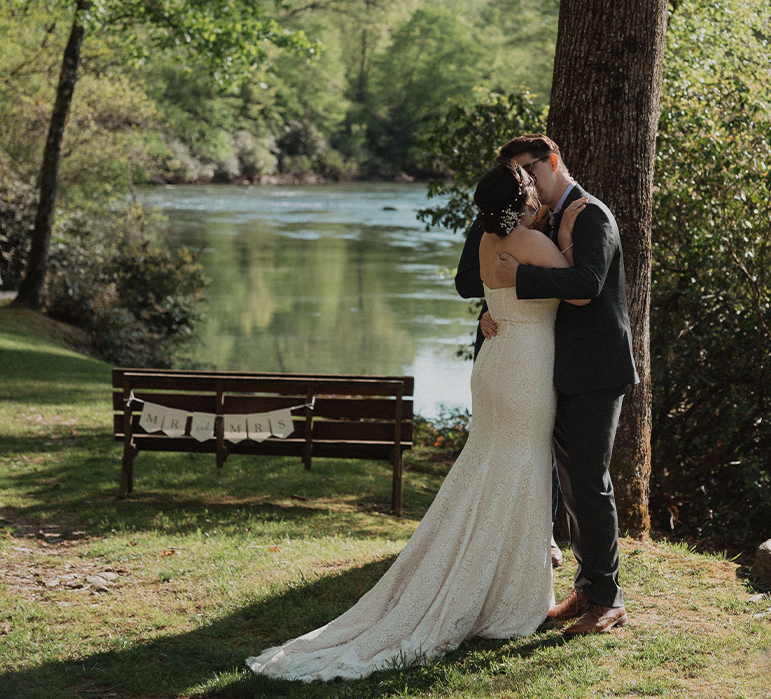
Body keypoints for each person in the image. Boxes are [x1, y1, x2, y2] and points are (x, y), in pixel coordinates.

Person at [246, 163, 586, 682]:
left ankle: (498, 581)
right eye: (532, 190)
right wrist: (564, 227)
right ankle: (507, 597)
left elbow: (496, 290)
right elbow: (579, 286)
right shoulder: (532, 242)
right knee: (519, 470)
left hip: (494, 365)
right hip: (524, 370)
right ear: (521, 197)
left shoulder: (487, 242)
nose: (539, 192)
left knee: (492, 469)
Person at [492, 134, 638, 636]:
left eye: (530, 170)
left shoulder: (591, 213)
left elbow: (589, 283)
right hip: (563, 369)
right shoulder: (547, 218)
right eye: (519, 175)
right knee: (574, 485)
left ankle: (608, 601)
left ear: (553, 161)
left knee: (591, 484)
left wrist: (522, 279)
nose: (527, 182)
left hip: (598, 370)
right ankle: (588, 587)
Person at [455, 200, 564, 568]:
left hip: (537, 346)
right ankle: (485, 532)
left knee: (537, 443)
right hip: (501, 338)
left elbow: (577, 285)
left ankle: (542, 533)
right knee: (496, 441)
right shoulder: (489, 224)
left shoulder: (558, 223)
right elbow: (465, 281)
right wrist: (498, 301)